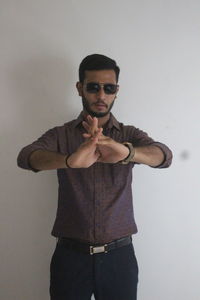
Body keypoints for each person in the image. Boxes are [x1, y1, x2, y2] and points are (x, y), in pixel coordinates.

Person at [17, 54, 173, 300]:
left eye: (109, 88)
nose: (101, 95)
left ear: (116, 91)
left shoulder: (129, 133)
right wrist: (69, 160)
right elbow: (26, 157)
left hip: (119, 258)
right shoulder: (62, 134)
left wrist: (126, 152)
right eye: (93, 87)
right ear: (80, 88)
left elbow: (164, 156)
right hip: (70, 257)